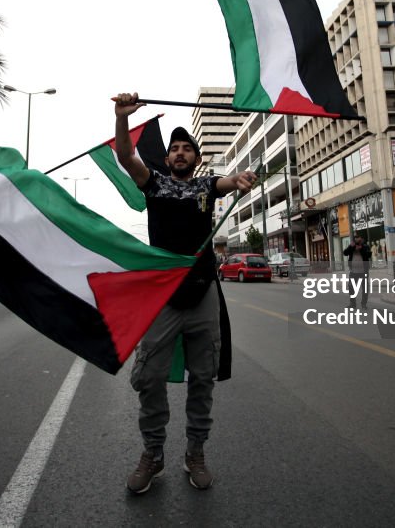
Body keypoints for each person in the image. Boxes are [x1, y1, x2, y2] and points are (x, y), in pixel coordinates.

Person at [113, 92, 257, 494]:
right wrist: (122, 119)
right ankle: (153, 455)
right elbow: (126, 158)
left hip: (202, 291)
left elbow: (230, 181)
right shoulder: (153, 184)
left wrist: (242, 179)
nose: (179, 153)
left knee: (203, 378)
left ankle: (195, 453)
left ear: (196, 158)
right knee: (150, 377)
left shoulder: (207, 187)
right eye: (174, 148)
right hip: (162, 297)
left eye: (186, 149)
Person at [342, 237, 372, 309]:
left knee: (364, 288)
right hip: (353, 272)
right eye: (356, 240)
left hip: (363, 271)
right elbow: (345, 253)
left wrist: (361, 249)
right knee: (351, 287)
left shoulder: (365, 247)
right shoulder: (352, 247)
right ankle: (353, 304)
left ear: (362, 240)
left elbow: (369, 255)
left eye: (359, 240)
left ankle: (363, 304)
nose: (358, 242)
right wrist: (350, 247)